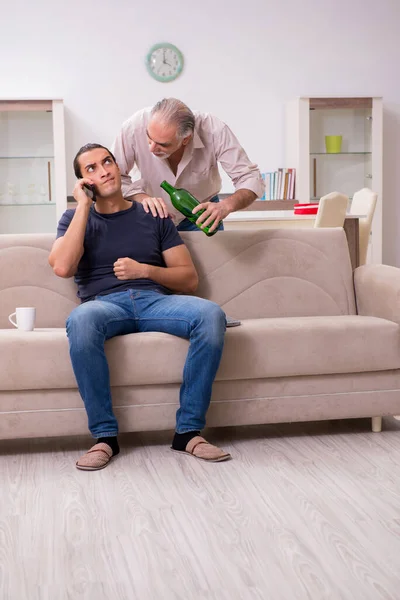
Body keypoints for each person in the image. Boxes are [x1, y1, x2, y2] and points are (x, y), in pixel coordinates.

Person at [48, 143, 231, 471]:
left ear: (119, 168)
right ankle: (105, 437)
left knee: (210, 314)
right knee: (81, 321)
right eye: (91, 169)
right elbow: (62, 267)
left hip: (155, 301)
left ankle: (188, 432)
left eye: (107, 162)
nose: (103, 170)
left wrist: (144, 270)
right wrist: (82, 208)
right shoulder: (73, 219)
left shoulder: (152, 214)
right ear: (82, 182)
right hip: (103, 306)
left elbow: (189, 280)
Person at [112, 98, 265, 234]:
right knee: (155, 266)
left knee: (213, 266)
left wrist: (225, 207)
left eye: (163, 144)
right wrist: (141, 197)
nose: (151, 148)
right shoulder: (133, 127)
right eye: (149, 138)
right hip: (151, 216)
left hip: (202, 216)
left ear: (186, 139)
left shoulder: (213, 129)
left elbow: (250, 178)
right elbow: (114, 176)